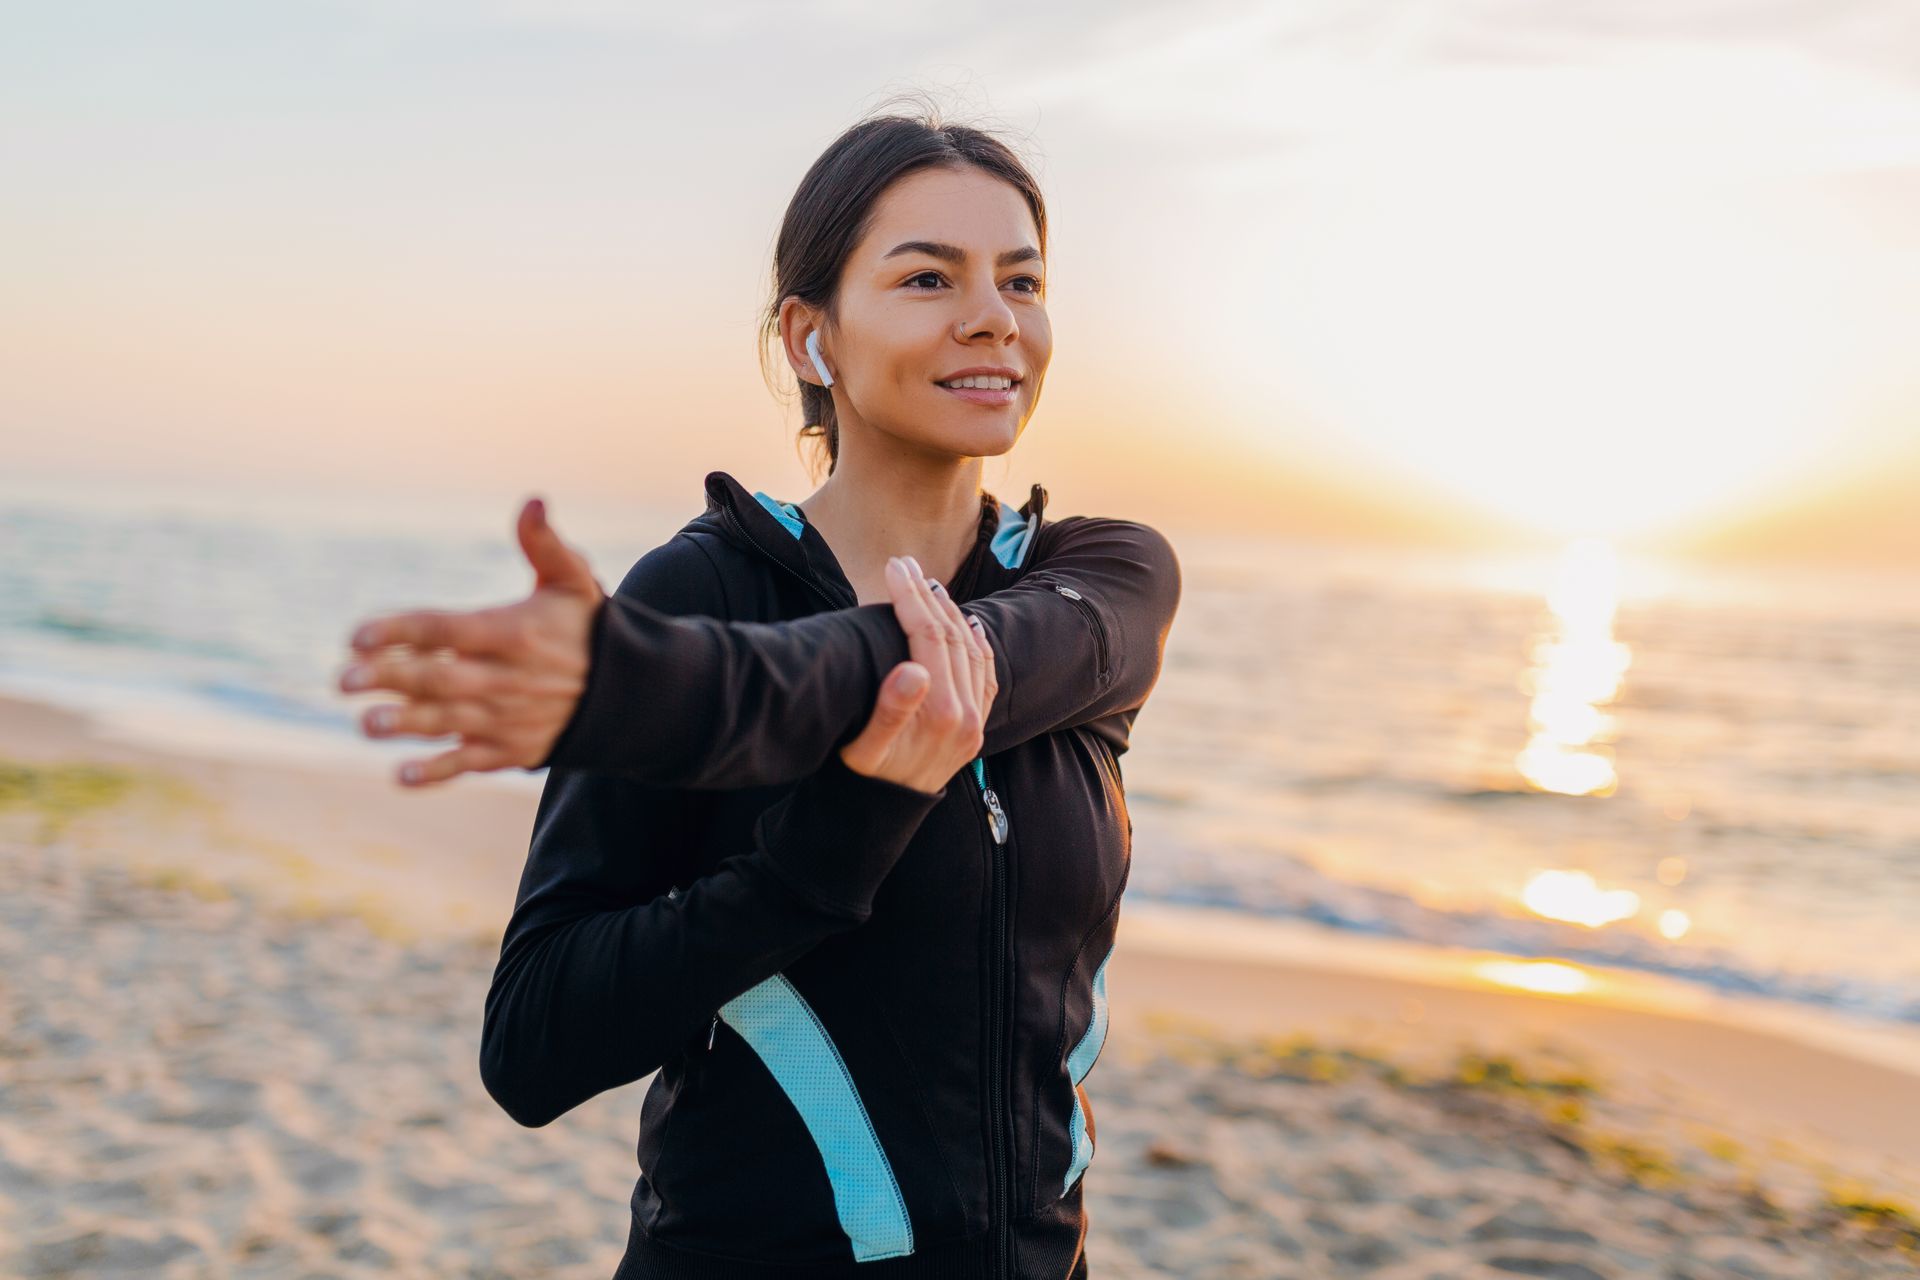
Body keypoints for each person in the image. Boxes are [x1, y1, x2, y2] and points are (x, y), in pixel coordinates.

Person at [338, 101, 1182, 1279]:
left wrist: (644, 684)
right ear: (808, 336)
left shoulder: (1101, 577)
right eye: (929, 279)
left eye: (1023, 282)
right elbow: (532, 1045)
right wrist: (823, 849)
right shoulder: (700, 590)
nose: (995, 317)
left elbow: (911, 664)